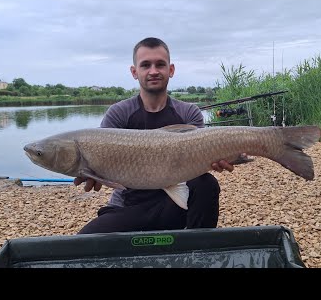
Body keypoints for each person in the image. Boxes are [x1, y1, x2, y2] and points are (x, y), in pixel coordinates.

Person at [74, 37, 236, 234]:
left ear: (171, 70)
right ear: (134, 72)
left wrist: (214, 160)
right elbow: (100, 165)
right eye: (145, 65)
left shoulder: (188, 112)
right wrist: (95, 173)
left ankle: (198, 250)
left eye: (160, 64)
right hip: (129, 205)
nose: (153, 71)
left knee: (206, 184)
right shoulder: (118, 113)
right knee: (85, 240)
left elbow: (196, 168)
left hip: (174, 203)